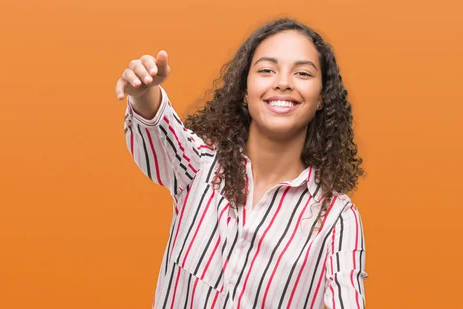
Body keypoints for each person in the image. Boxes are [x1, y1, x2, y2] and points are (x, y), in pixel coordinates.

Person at [114, 17, 367, 309]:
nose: (283, 83)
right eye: (266, 70)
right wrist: (143, 91)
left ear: (321, 98)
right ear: (244, 89)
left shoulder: (337, 218)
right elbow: (159, 128)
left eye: (303, 73)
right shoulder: (200, 165)